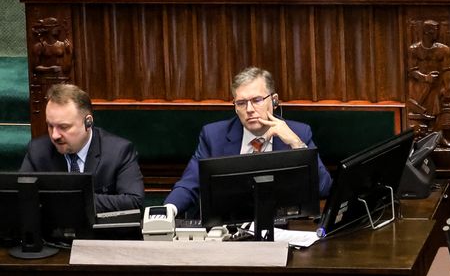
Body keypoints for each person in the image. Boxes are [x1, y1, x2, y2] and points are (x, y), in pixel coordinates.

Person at [164, 67, 332, 217]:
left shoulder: (299, 133)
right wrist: (168, 210)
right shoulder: (214, 137)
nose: (249, 110)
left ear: (274, 100)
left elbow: (324, 188)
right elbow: (189, 184)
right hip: (230, 228)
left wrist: (296, 144)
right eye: (241, 103)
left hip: (285, 227)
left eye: (257, 100)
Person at [20, 83, 144, 213]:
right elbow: (21, 197)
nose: (55, 135)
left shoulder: (119, 151)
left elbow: (134, 202)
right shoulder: (38, 151)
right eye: (50, 126)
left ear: (88, 123)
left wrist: (75, 199)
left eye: (64, 127)